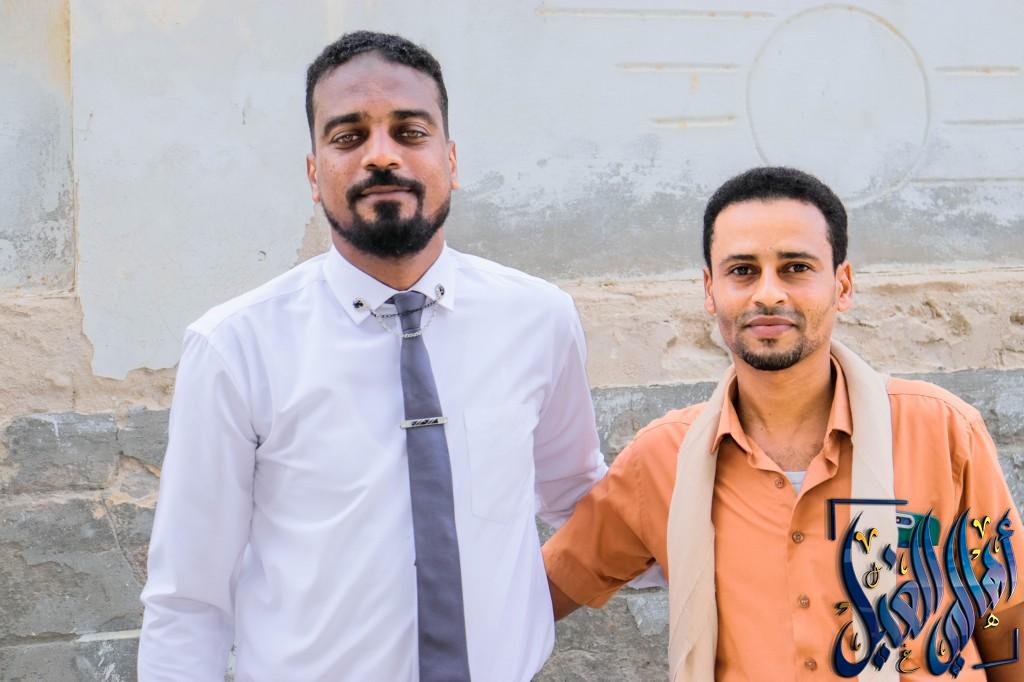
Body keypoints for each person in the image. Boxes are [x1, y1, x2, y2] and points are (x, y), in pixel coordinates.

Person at [138, 31, 606, 681]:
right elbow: (189, 599)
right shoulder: (235, 348)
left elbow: (579, 498)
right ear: (314, 173)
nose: (381, 156)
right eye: (348, 136)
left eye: (410, 132)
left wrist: (713, 533)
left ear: (451, 160)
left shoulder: (538, 319)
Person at [542, 167, 1024, 681]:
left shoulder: (941, 431)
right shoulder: (663, 460)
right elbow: (544, 591)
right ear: (710, 289)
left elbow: (1004, 613)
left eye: (795, 267)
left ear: (842, 285)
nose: (768, 294)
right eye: (742, 271)